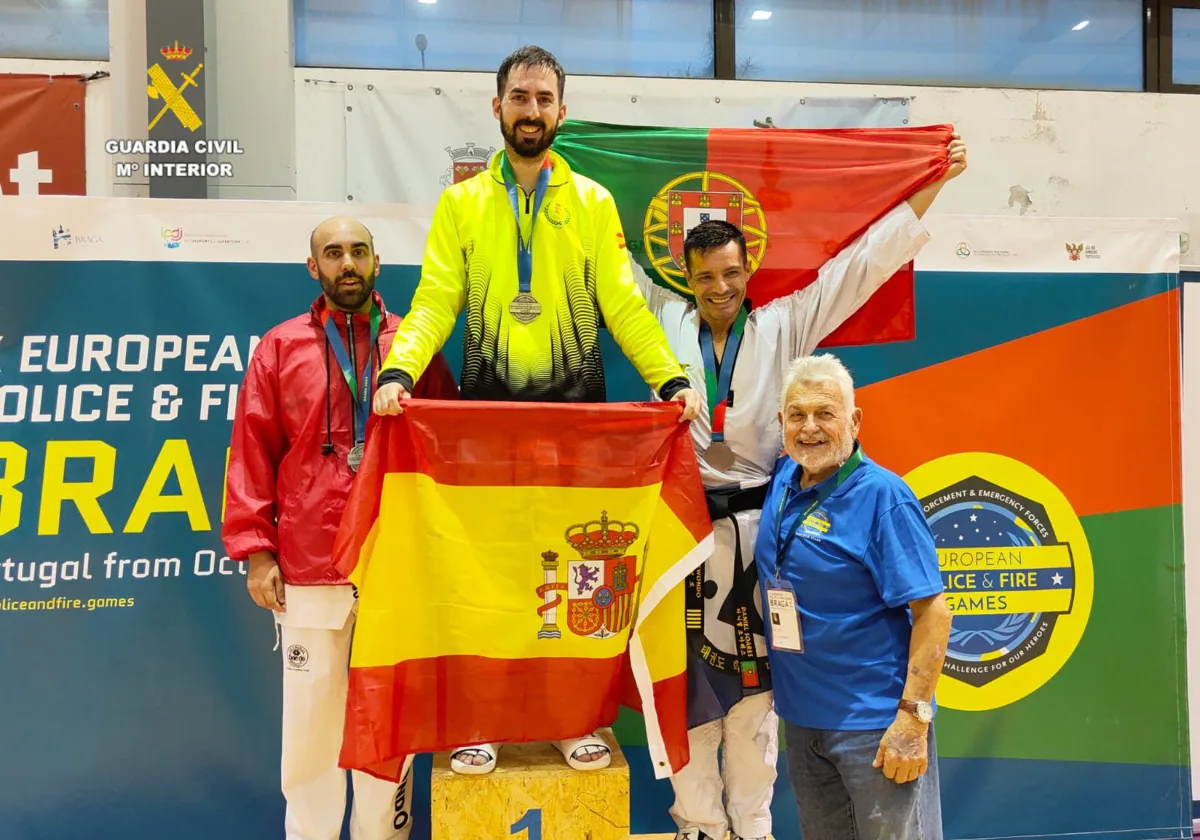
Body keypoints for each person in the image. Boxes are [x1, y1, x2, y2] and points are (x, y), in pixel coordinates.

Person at [371, 45, 702, 777]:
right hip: (484, 430)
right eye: (518, 98)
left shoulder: (591, 203)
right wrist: (398, 366)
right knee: (485, 578)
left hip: (571, 427)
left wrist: (671, 378)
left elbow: (622, 303)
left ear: (561, 110)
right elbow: (435, 300)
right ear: (497, 108)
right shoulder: (461, 204)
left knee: (569, 578)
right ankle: (480, 723)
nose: (530, 111)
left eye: (543, 99)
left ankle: (571, 719)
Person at [632, 135, 966, 840]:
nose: (719, 287)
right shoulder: (659, 320)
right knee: (685, 695)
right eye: (704, 276)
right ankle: (697, 827)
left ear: (747, 268)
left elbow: (861, 268)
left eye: (729, 273)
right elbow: (605, 262)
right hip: (685, 535)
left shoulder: (785, 324)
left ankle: (751, 825)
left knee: (757, 701)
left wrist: (929, 181)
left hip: (766, 528)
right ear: (686, 277)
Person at [222, 216, 459, 840]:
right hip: (308, 565)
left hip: (394, 565)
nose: (347, 264)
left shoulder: (413, 346)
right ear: (313, 267)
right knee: (310, 731)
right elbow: (252, 449)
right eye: (333, 253)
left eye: (358, 252)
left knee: (388, 725)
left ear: (378, 263)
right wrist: (256, 551)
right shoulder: (280, 348)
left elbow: (448, 449)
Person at [755, 352, 953, 840]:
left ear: (854, 420)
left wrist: (913, 720)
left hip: (875, 729)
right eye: (797, 415)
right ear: (781, 423)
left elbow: (933, 614)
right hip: (803, 725)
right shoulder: (784, 479)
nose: (810, 428)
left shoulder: (884, 497)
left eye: (825, 414)